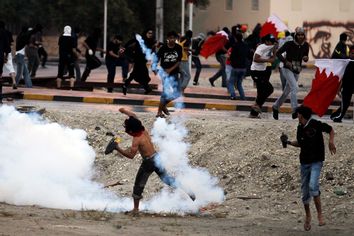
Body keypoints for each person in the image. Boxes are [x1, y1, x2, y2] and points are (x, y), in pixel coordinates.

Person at [105, 108, 195, 214]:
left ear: (131, 130)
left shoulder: (136, 140)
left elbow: (131, 155)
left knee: (139, 184)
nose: (125, 129)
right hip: (157, 157)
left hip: (148, 162)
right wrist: (124, 111)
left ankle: (135, 209)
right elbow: (133, 115)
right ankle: (187, 189)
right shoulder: (143, 130)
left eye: (126, 128)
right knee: (167, 179)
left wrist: (117, 148)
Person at [284, 105, 336, 231]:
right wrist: (288, 142)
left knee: (313, 186)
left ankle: (319, 214)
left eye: (298, 114)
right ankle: (308, 216)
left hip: (316, 161)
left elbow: (330, 129)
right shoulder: (300, 128)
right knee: (305, 193)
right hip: (304, 163)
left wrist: (331, 141)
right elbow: (300, 143)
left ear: (301, 115)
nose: (297, 116)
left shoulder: (316, 124)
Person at [272, 27, 309, 120]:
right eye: (299, 35)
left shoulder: (306, 45)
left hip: (297, 70)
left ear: (304, 35)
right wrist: (285, 61)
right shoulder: (289, 44)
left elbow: (306, 56)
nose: (300, 36)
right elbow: (278, 53)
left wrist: (305, 58)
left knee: (286, 92)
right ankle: (295, 110)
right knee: (295, 88)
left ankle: (275, 106)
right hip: (287, 69)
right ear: (295, 35)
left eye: (302, 35)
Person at [152, 31, 182, 118]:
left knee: (177, 93)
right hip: (164, 73)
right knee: (165, 92)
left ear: (175, 39)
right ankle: (159, 112)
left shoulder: (178, 48)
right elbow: (156, 59)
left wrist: (170, 69)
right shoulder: (163, 48)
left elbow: (178, 61)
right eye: (170, 38)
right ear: (167, 39)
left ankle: (163, 105)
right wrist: (154, 68)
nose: (172, 39)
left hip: (175, 73)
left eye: (173, 38)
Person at [249, 34, 277, 118]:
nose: (272, 43)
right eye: (271, 42)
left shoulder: (271, 47)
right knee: (269, 89)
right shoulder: (262, 47)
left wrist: (274, 51)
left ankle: (253, 114)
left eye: (273, 41)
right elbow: (256, 59)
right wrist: (268, 60)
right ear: (266, 41)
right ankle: (256, 104)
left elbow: (273, 59)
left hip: (262, 71)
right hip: (255, 72)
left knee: (261, 92)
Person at [330, 45, 354, 122]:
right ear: (349, 53)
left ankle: (337, 114)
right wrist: (339, 88)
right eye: (352, 53)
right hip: (347, 86)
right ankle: (339, 115)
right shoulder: (346, 63)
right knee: (345, 102)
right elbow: (342, 76)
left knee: (345, 102)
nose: (353, 55)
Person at [228, 32, 250, 100]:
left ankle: (233, 95)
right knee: (239, 83)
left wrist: (231, 61)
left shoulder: (235, 46)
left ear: (236, 38)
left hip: (236, 67)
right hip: (243, 68)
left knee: (231, 82)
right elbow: (248, 55)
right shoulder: (246, 45)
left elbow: (232, 57)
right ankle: (242, 97)